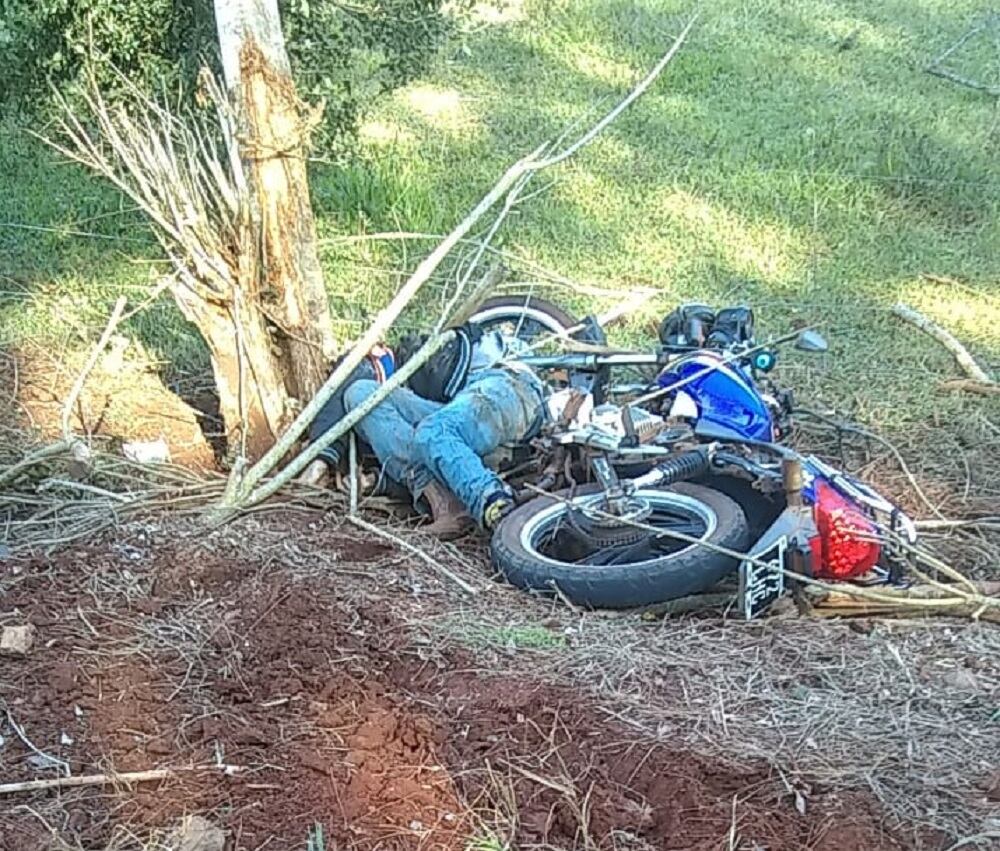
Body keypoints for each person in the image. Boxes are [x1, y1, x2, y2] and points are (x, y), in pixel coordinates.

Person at [301, 324, 547, 538]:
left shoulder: (395, 358)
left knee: (434, 431)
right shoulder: (388, 379)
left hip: (505, 387)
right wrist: (375, 480)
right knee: (361, 394)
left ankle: (493, 502)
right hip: (456, 414)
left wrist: (320, 461)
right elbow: (400, 446)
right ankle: (444, 502)